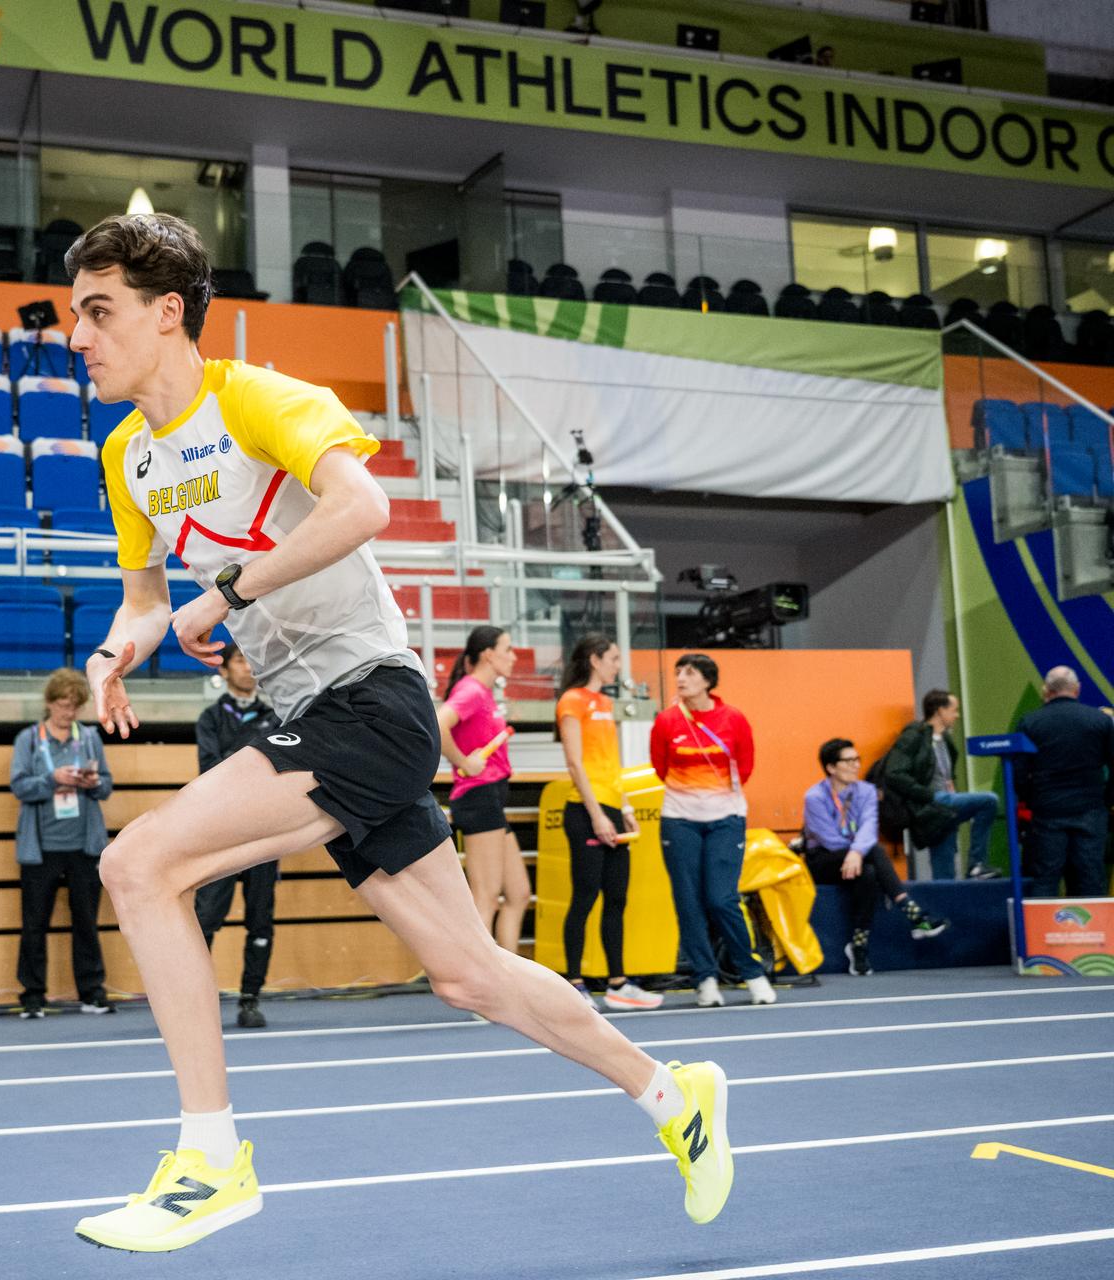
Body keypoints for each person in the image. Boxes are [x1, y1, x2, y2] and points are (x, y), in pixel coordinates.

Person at [67, 213, 731, 1253]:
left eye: (98, 312)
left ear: (165, 313)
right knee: (468, 972)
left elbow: (363, 506)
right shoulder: (125, 455)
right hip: (301, 713)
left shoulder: (256, 397)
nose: (78, 336)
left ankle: (211, 1157)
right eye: (75, 316)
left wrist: (230, 589)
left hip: (371, 699)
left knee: (140, 865)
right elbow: (148, 600)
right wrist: (116, 651)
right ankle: (672, 1090)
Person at [650, 653, 774, 1008]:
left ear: (707, 680)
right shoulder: (666, 721)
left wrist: (712, 797)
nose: (681, 678)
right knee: (688, 903)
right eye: (678, 672)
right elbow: (661, 767)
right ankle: (705, 977)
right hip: (679, 820)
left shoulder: (733, 718)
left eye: (689, 673)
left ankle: (752, 973)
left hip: (726, 819)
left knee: (721, 899)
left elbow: (745, 766)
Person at [556, 635, 664, 1012]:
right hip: (586, 812)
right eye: (614, 658)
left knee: (616, 898)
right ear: (594, 659)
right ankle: (575, 983)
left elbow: (610, 763)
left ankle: (618, 984)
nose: (618, 664)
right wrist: (598, 814)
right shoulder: (572, 700)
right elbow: (576, 763)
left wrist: (625, 805)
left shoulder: (605, 703)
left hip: (613, 809)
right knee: (585, 897)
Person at [9, 669, 114, 1019]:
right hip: (40, 849)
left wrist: (91, 781)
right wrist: (52, 779)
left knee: (86, 922)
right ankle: (33, 996)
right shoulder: (29, 739)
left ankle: (92, 992)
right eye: (62, 705)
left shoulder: (88, 738)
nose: (67, 712)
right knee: (34, 923)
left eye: (73, 706)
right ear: (49, 703)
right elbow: (20, 786)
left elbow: (106, 787)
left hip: (84, 846)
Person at [803, 738, 950, 976]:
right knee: (874, 851)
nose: (855, 765)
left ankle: (859, 948)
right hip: (823, 860)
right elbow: (829, 840)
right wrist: (857, 852)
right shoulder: (814, 797)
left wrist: (856, 853)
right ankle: (912, 912)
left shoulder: (867, 791)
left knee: (869, 874)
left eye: (856, 759)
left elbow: (869, 827)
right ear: (831, 767)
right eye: (847, 761)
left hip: (859, 857)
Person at [193, 644, 282, 1029]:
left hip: (263, 833)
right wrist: (252, 762)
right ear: (225, 669)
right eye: (239, 660)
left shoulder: (276, 716)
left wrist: (243, 762)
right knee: (206, 917)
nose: (247, 668)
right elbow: (210, 769)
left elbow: (282, 767)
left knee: (260, 918)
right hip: (221, 833)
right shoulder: (211, 718)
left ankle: (250, 998)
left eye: (251, 660)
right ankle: (195, 1000)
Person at [438, 625, 529, 958]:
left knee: (518, 893)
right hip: (478, 797)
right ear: (489, 654)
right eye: (508, 649)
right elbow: (437, 724)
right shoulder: (472, 690)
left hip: (492, 799)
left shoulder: (484, 694)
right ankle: (481, 980)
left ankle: (511, 978)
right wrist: (464, 761)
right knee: (486, 896)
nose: (513, 656)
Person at [1014, 667, 1114, 898]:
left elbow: (1019, 773)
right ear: (1077, 689)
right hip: (1090, 810)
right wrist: (1106, 799)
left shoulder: (1030, 722)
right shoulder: (1100, 721)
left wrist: (1033, 799)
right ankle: (1090, 933)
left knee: (1046, 879)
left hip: (1047, 812)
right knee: (1089, 878)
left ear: (1047, 690)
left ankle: (1043, 933)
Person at [882, 690, 998, 880]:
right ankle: (976, 864)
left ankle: (946, 906)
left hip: (943, 808)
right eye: (954, 710)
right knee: (989, 801)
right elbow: (893, 773)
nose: (957, 715)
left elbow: (946, 774)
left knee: (944, 873)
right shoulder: (913, 736)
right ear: (939, 711)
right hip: (931, 803)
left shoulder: (946, 740)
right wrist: (926, 795)